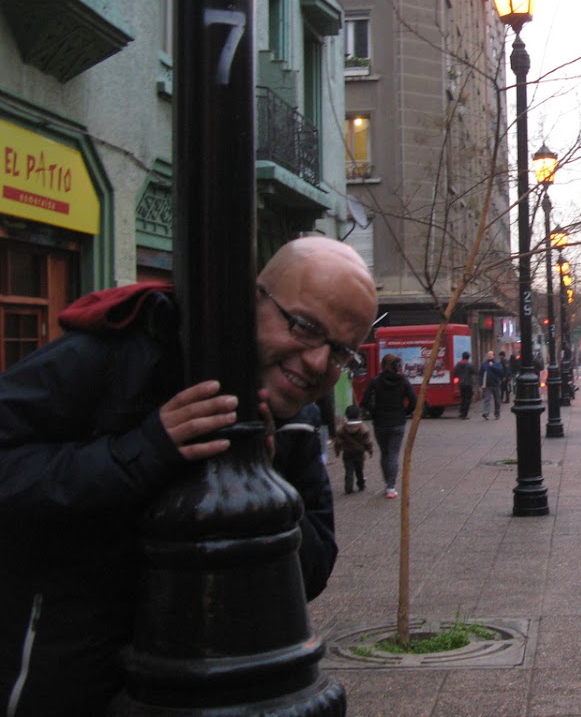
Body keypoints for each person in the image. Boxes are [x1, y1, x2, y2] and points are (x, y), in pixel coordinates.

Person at [0, 236, 377, 715]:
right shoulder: (123, 353)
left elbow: (312, 572)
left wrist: (263, 483)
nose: (319, 362)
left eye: (341, 351)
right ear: (250, 300)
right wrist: (142, 452)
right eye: (304, 327)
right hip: (65, 682)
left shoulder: (298, 417)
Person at [361, 353, 416, 498]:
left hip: (380, 422)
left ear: (382, 365)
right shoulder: (403, 381)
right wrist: (405, 412)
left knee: (384, 453)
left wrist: (373, 412)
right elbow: (413, 400)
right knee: (393, 454)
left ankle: (387, 482)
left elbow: (365, 401)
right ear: (398, 366)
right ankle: (391, 487)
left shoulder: (375, 381)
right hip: (397, 421)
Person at [333, 404, 374, 494]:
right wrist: (370, 450)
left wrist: (337, 451)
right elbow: (367, 441)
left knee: (349, 470)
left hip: (347, 452)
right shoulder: (363, 428)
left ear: (346, 415)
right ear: (359, 415)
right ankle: (361, 485)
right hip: (359, 452)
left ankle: (348, 487)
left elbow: (338, 441)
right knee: (359, 470)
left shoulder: (342, 428)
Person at [479, 351, 505, 420]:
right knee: (487, 399)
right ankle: (486, 413)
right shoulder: (484, 364)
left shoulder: (497, 364)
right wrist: (481, 383)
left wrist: (492, 366)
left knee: (497, 400)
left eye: (491, 354)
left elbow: (501, 372)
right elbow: (481, 374)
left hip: (496, 384)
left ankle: (497, 414)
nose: (489, 356)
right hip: (487, 385)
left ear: (494, 356)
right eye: (488, 354)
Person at [453, 351, 477, 418]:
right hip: (468, 384)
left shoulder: (458, 364)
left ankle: (461, 412)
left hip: (461, 384)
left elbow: (455, 374)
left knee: (463, 398)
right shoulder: (470, 365)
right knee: (468, 399)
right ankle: (464, 414)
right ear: (468, 357)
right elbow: (474, 372)